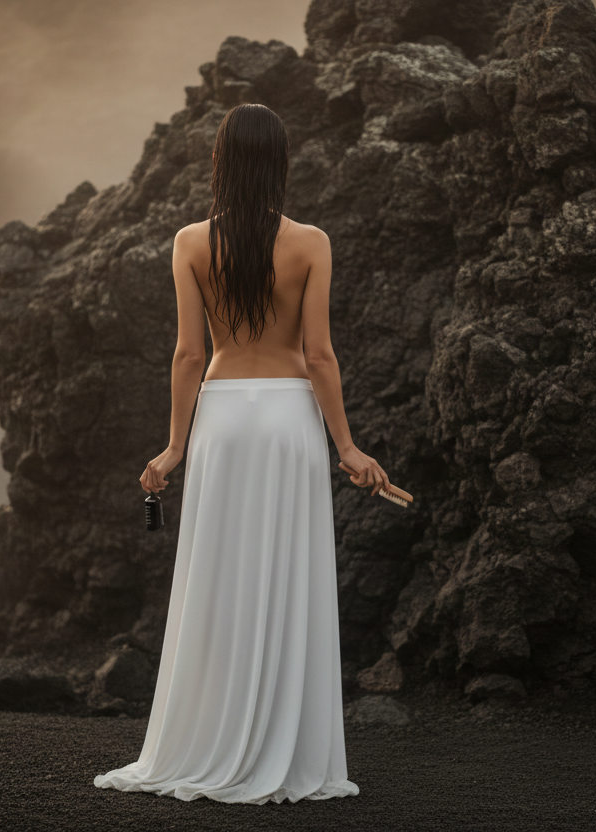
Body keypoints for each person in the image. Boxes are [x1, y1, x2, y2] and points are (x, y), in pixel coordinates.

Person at [92, 103, 393, 804]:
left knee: (219, 580)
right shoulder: (311, 243)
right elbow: (319, 355)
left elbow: (188, 354)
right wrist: (347, 445)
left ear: (220, 162)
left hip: (222, 421)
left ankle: (209, 740)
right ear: (281, 163)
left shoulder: (191, 242)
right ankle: (281, 749)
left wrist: (175, 447)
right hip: (289, 420)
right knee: (287, 577)